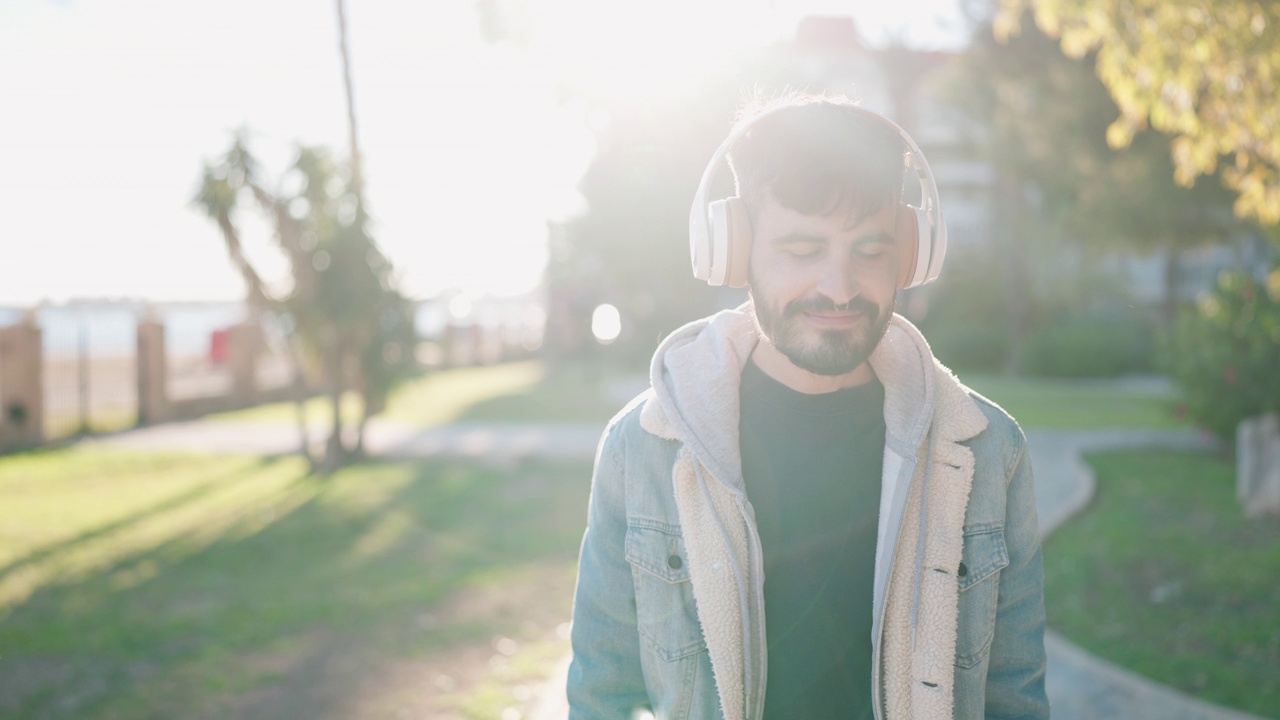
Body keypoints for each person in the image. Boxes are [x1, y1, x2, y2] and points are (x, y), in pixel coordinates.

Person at [566, 95, 1049, 720]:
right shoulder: (643, 447)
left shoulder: (989, 451)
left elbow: (1015, 700)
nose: (840, 286)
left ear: (910, 252)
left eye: (871, 252)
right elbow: (600, 696)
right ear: (733, 250)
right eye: (802, 249)